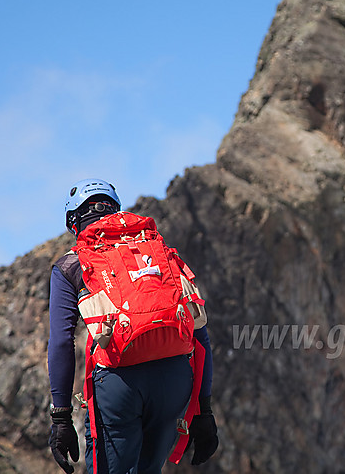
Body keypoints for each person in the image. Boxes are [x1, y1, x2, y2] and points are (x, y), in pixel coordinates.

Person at [47, 178, 218, 473]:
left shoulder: (71, 264)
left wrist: (61, 417)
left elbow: (62, 342)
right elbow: (198, 331)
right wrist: (204, 409)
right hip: (175, 377)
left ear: (74, 222)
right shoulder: (161, 251)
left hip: (118, 381)